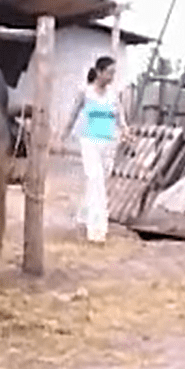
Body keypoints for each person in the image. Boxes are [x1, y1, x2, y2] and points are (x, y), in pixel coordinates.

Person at [60, 55, 133, 243]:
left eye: (113, 73)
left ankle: (83, 217)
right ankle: (97, 228)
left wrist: (125, 131)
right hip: (89, 142)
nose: (112, 76)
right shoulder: (85, 92)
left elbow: (120, 116)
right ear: (99, 72)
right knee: (95, 180)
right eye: (109, 72)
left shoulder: (113, 94)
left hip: (109, 143)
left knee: (99, 183)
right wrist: (62, 136)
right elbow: (73, 114)